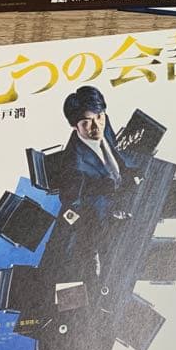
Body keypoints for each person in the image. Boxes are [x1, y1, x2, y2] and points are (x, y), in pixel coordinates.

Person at [48, 85, 136, 287]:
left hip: (120, 190)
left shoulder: (102, 121)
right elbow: (71, 206)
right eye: (87, 123)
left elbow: (114, 150)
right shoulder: (74, 165)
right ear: (75, 127)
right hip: (101, 211)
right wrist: (91, 240)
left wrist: (129, 172)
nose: (97, 127)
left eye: (99, 117)